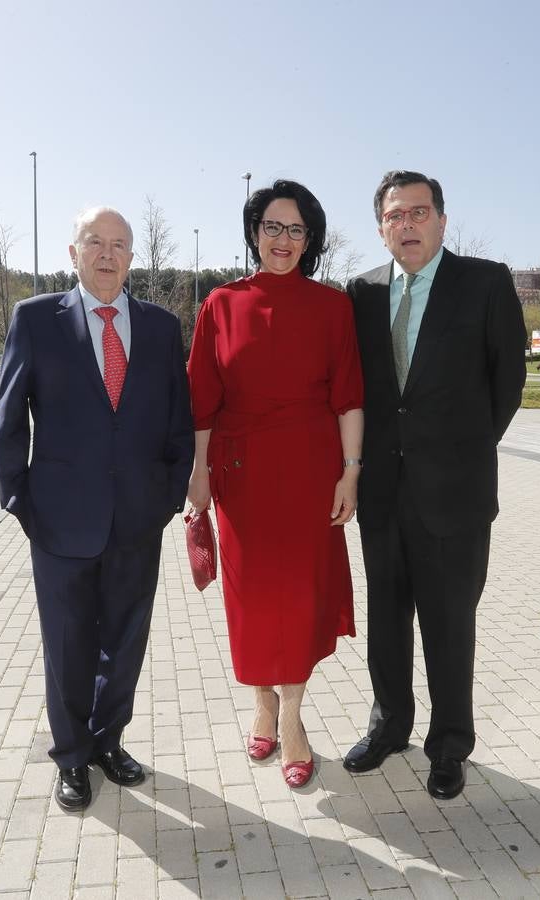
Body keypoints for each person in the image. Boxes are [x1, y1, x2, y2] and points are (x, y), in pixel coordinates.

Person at [0, 207, 194, 812]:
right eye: (95, 243)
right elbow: (9, 420)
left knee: (127, 640)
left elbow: (178, 423)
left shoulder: (161, 327)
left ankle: (108, 740)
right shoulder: (36, 319)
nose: (108, 254)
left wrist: (166, 496)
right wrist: (20, 501)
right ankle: (72, 757)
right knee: (68, 643)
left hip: (137, 518)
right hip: (58, 521)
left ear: (133, 257)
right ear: (73, 251)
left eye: (119, 245)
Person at [342, 171, 526, 799]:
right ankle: (389, 725)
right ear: (381, 228)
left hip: (455, 494)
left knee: (449, 625)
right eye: (396, 216)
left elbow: (507, 387)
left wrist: (458, 454)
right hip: (383, 494)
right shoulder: (361, 293)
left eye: (420, 213)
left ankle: (449, 746)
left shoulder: (485, 282)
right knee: (386, 620)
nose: (408, 225)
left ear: (443, 222)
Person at [186, 180, 364, 790]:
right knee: (253, 599)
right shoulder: (220, 305)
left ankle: (290, 716)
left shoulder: (333, 308)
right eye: (271, 227)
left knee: (300, 597)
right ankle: (261, 701)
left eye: (295, 229)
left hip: (312, 473)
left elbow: (349, 400)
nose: (282, 240)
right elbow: (202, 402)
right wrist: (198, 473)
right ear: (253, 232)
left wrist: (351, 472)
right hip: (242, 478)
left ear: (309, 239)